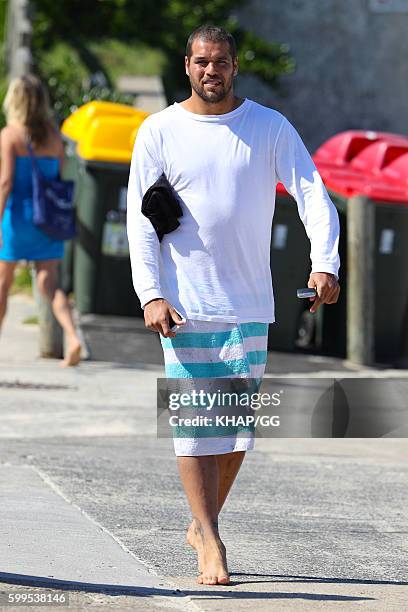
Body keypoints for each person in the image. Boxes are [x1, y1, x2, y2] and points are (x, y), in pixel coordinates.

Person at [127, 25, 340, 585]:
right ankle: (211, 538)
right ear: (187, 65)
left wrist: (326, 263)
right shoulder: (159, 131)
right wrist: (151, 293)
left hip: (249, 302)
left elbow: (313, 192)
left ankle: (204, 521)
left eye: (220, 62)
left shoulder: (268, 127)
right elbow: (140, 223)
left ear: (235, 66)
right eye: (201, 62)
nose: (210, 72)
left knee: (237, 428)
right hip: (184, 302)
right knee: (196, 422)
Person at [0, 75, 81, 367]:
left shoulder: (10, 135)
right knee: (50, 283)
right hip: (47, 219)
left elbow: (6, 181)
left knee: (3, 283)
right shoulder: (54, 135)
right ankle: (72, 337)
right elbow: (59, 173)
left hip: (17, 216)